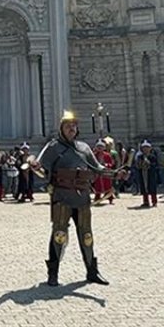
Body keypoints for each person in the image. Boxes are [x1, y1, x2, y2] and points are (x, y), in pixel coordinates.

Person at [37, 111, 110, 287]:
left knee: (86, 235)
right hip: (62, 197)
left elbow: (97, 167)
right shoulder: (53, 147)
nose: (71, 129)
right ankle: (53, 273)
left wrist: (115, 173)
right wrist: (35, 167)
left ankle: (92, 271)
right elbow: (41, 169)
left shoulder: (84, 148)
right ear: (61, 129)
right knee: (59, 234)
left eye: (74, 126)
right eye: (68, 126)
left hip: (82, 198)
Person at [132, 140, 158, 207]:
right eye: (144, 148)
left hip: (150, 174)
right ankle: (146, 201)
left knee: (152, 188)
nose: (145, 149)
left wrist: (148, 163)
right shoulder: (140, 157)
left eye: (147, 148)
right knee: (143, 187)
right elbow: (137, 165)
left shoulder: (152, 156)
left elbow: (155, 165)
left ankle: (154, 201)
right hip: (142, 173)